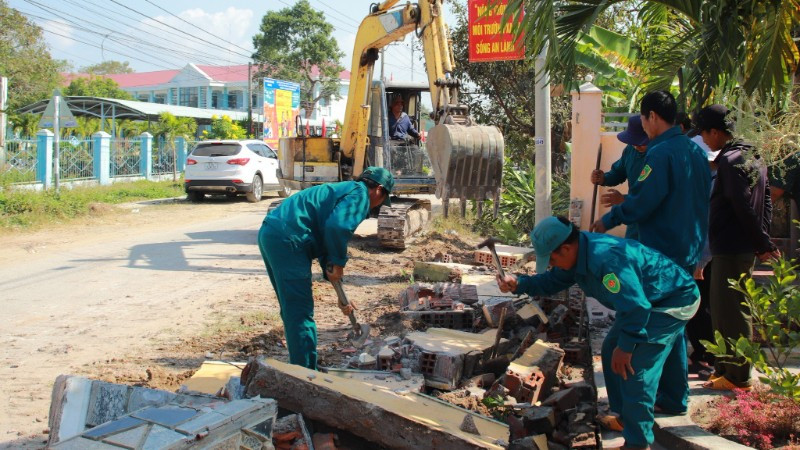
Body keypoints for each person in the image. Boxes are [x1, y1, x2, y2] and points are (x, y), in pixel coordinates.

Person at [497, 216, 699, 450]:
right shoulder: (577, 254)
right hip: (648, 300)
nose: (551, 264)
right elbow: (553, 281)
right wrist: (519, 283)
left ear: (566, 248)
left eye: (551, 258)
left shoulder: (606, 260)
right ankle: (662, 405)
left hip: (669, 302)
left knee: (634, 368)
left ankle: (637, 442)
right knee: (612, 349)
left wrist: (627, 347)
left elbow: (637, 307)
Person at [257, 167, 394, 370]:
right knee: (299, 311)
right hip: (289, 239)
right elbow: (337, 227)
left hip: (274, 234)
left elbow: (325, 238)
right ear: (379, 190)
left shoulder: (344, 190)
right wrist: (338, 263)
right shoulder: (360, 194)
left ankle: (301, 367)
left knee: (293, 308)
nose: (379, 205)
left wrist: (339, 290)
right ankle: (305, 374)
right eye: (383, 200)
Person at [695, 104, 779, 391]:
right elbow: (766, 203)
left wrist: (762, 243)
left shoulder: (731, 161)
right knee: (723, 311)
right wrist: (762, 239)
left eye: (704, 134)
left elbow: (741, 204)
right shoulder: (754, 156)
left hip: (731, 247)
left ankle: (738, 376)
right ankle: (725, 369)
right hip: (735, 246)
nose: (704, 140)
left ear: (716, 132)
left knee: (732, 313)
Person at [590, 90, 711, 275]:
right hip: (689, 251)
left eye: (643, 120)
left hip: (663, 253)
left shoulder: (660, 154)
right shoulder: (697, 152)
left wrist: (607, 221)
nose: (644, 127)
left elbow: (643, 200)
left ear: (652, 116)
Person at [590, 115, 650, 240]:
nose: (636, 146)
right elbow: (618, 172)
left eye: (640, 142)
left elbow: (650, 197)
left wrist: (624, 199)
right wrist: (604, 178)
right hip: (633, 221)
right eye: (633, 142)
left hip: (653, 224)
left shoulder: (658, 156)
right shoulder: (630, 151)